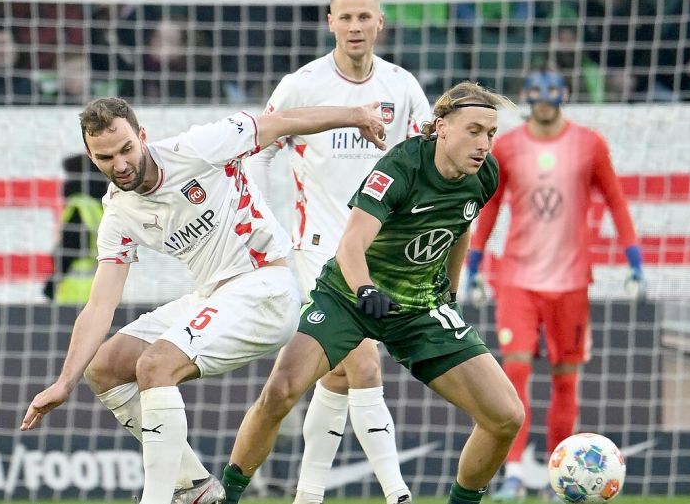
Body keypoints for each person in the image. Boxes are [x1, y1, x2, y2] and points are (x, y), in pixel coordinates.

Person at [19, 96, 389, 504]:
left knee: (156, 365)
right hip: (215, 294)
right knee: (104, 367)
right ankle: (195, 487)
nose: (120, 164)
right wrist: (64, 382)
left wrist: (356, 115)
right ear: (92, 157)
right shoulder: (119, 213)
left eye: (126, 149)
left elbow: (283, 121)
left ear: (142, 136)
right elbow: (99, 305)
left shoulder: (199, 148)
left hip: (266, 285)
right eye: (106, 157)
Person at [221, 81, 525, 504]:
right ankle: (227, 495)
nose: (484, 144)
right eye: (474, 131)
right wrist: (364, 289)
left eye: (490, 133)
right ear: (442, 127)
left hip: (420, 307)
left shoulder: (485, 174)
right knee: (280, 392)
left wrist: (450, 294)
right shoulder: (401, 167)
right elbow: (351, 243)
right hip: (349, 297)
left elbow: (461, 227)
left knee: (507, 417)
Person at [246, 0, 431, 504]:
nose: (354, 26)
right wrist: (264, 222)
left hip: (379, 256)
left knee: (336, 376)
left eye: (363, 16)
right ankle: (398, 493)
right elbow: (258, 147)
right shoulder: (302, 85)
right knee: (365, 362)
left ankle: (308, 494)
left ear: (380, 22)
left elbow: (424, 161)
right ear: (330, 23)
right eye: (345, 17)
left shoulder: (402, 87)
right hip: (318, 250)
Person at [465, 70, 645, 501]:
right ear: (527, 96)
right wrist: (473, 263)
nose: (544, 100)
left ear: (564, 94)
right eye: (536, 92)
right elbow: (490, 207)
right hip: (518, 279)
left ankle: (555, 480)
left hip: (571, 281)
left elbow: (616, 200)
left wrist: (634, 259)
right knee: (515, 371)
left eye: (551, 92)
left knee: (565, 380)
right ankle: (512, 474)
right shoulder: (507, 147)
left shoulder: (589, 144)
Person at [42, 154, 109, 303]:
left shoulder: (79, 206)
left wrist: (51, 284)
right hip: (101, 287)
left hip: (76, 290)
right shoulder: (100, 207)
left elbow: (70, 247)